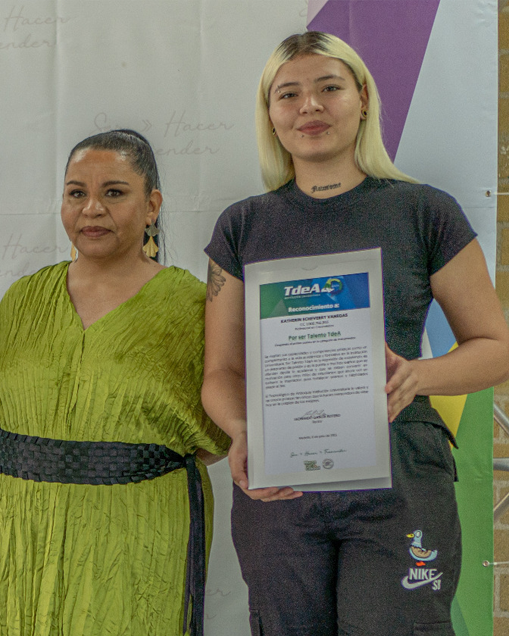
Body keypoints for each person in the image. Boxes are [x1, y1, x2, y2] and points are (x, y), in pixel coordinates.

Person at [202, 31, 509, 635]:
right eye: (287, 94)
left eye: (329, 88)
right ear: (269, 114)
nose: (309, 106)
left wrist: (417, 375)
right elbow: (221, 372)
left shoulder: (425, 212)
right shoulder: (242, 226)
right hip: (281, 481)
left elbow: (495, 349)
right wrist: (242, 430)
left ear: (363, 98)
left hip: (401, 477)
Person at [0, 130, 229, 636]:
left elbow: (218, 430)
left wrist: (125, 465)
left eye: (114, 192)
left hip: (138, 530)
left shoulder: (193, 305)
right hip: (18, 528)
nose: (91, 209)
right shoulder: (25, 298)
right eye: (76, 193)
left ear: (151, 205)